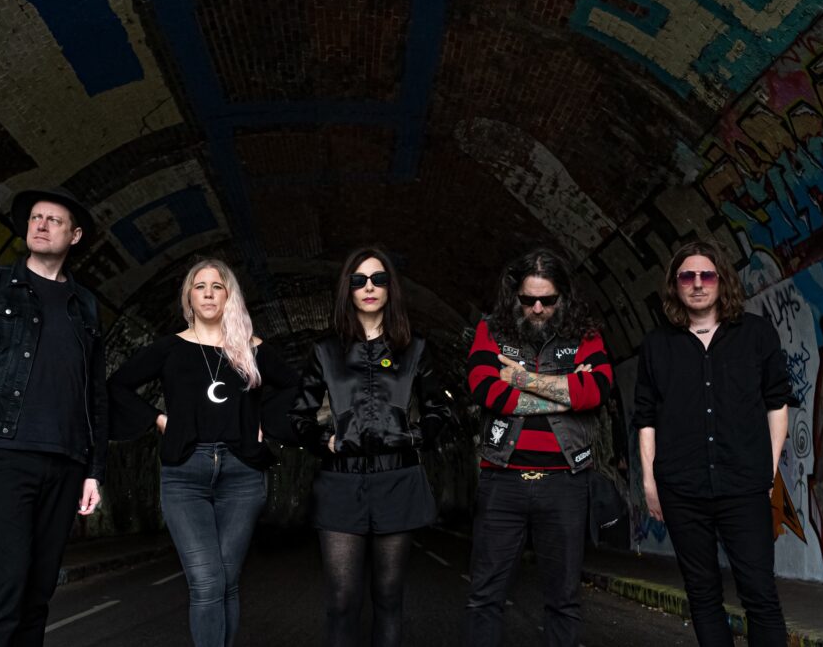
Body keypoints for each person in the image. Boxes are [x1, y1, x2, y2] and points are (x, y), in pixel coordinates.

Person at [0, 187, 107, 646]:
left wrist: (94, 470)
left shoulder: (86, 305)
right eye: (36, 217)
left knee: (40, 588)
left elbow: (96, 394)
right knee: (10, 580)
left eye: (54, 220)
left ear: (75, 236)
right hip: (6, 453)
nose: (41, 225)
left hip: (68, 461)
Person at [107, 258, 299, 647]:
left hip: (242, 474)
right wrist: (159, 420)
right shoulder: (169, 349)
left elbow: (296, 386)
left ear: (229, 296)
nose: (208, 293)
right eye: (200, 286)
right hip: (185, 475)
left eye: (217, 286)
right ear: (189, 298)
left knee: (226, 581)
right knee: (208, 580)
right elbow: (118, 385)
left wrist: (264, 421)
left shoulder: (252, 349)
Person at [633, 240, 791, 647]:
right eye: (688, 276)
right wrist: (650, 482)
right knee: (703, 596)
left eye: (707, 275)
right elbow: (646, 418)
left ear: (722, 280)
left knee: (760, 593)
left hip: (743, 484)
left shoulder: (756, 334)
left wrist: (769, 469)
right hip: (681, 488)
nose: (698, 284)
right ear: (675, 285)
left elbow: (777, 404)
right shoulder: (656, 345)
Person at [290, 247, 451, 647]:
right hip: (340, 485)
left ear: (390, 288)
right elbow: (299, 417)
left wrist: (412, 437)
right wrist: (324, 440)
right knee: (342, 601)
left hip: (398, 481)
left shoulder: (415, 349)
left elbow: (440, 410)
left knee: (389, 598)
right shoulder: (325, 351)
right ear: (347, 288)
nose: (369, 288)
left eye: (378, 279)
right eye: (359, 280)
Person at [463, 247, 613, 647]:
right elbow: (484, 389)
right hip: (502, 480)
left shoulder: (586, 334)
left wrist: (519, 379)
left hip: (565, 482)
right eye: (528, 300)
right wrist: (566, 392)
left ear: (564, 296)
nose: (538, 309)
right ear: (514, 295)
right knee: (484, 596)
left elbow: (596, 390)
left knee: (564, 600)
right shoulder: (491, 330)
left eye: (548, 300)